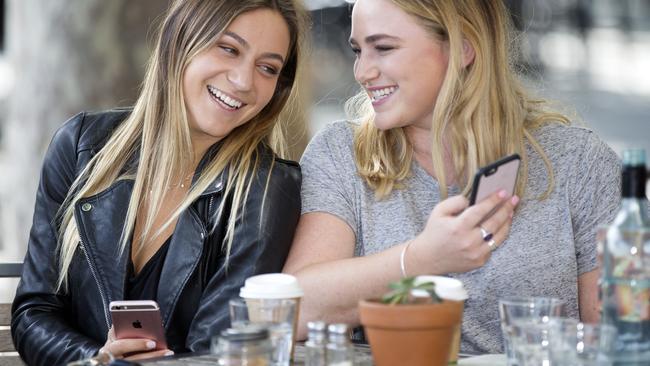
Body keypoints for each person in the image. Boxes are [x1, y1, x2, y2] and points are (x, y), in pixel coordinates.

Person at [283, 0, 620, 355]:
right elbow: (293, 309)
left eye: (383, 48)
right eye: (357, 50)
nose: (362, 71)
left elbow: (620, 336)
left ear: (463, 48)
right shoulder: (341, 154)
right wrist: (421, 259)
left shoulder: (578, 161)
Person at [11, 0, 309, 364]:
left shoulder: (266, 189)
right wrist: (98, 358)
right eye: (229, 49)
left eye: (267, 68)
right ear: (180, 41)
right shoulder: (81, 146)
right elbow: (35, 311)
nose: (244, 81)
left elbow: (217, 350)